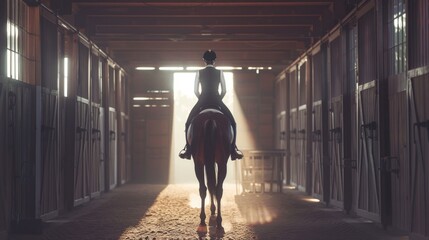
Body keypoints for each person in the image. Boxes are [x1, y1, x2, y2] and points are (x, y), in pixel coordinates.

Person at [179, 50, 243, 160]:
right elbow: (224, 91)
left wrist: (202, 100)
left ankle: (188, 150)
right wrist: (218, 100)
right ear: (215, 60)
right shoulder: (220, 72)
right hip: (217, 100)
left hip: (202, 100)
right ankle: (233, 150)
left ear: (204, 60)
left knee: (188, 123)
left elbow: (195, 91)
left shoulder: (199, 72)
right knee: (233, 123)